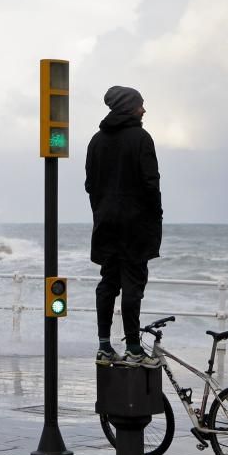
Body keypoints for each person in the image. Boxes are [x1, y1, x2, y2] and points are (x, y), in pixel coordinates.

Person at [85, 86, 163, 368]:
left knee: (108, 284)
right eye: (141, 104)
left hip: (105, 225)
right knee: (133, 286)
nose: (144, 110)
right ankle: (133, 349)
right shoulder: (141, 138)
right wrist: (155, 216)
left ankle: (104, 347)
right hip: (135, 226)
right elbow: (150, 184)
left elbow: (90, 185)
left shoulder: (96, 141)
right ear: (129, 107)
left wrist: (102, 211)